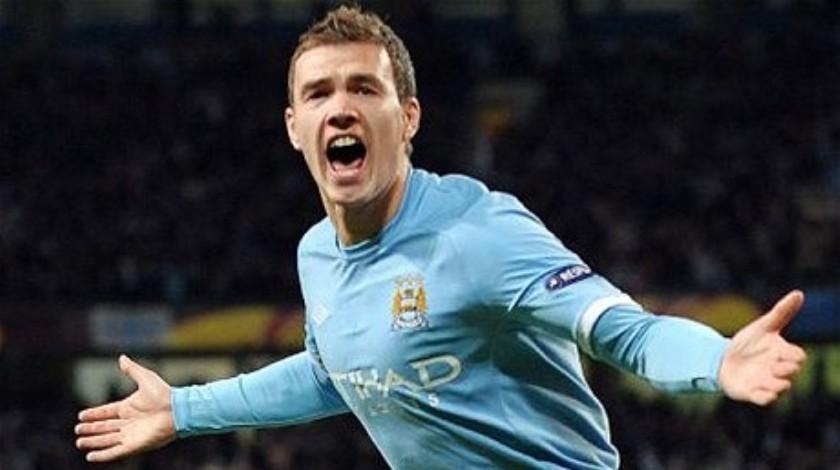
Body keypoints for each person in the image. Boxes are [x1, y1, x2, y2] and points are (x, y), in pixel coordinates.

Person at [75, 6, 808, 469]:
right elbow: (336, 373)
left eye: (365, 88)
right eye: (319, 93)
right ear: (295, 128)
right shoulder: (316, 255)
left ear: (409, 118)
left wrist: (716, 359)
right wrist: (184, 410)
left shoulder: (480, 233)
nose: (340, 108)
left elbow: (624, 333)